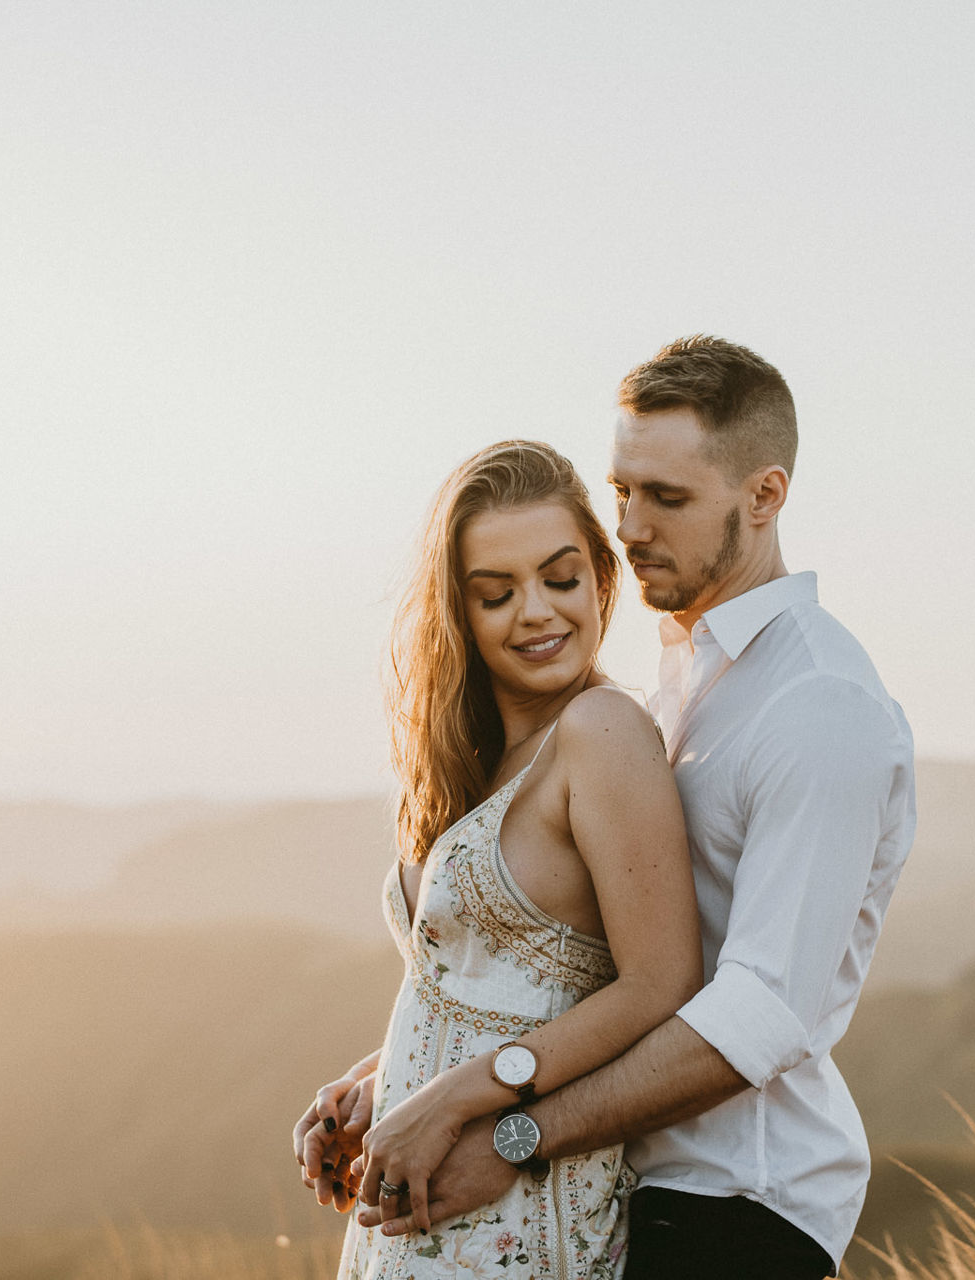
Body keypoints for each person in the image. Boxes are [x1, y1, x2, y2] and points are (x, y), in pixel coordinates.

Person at [357, 336, 917, 1279]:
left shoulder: (819, 707)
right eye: (622, 492)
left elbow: (757, 1017)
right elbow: (569, 967)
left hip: (738, 1205)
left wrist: (503, 1135)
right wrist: (392, 1086)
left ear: (765, 496)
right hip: (632, 1186)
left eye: (668, 497)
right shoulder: (679, 689)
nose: (630, 525)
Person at [295, 439, 703, 1279]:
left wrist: (447, 1101)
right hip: (416, 1208)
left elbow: (660, 985)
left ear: (601, 577)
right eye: (496, 593)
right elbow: (496, 988)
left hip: (516, 1217)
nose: (537, 613)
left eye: (560, 579)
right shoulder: (477, 760)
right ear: (460, 610)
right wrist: (377, 1082)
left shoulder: (603, 735)